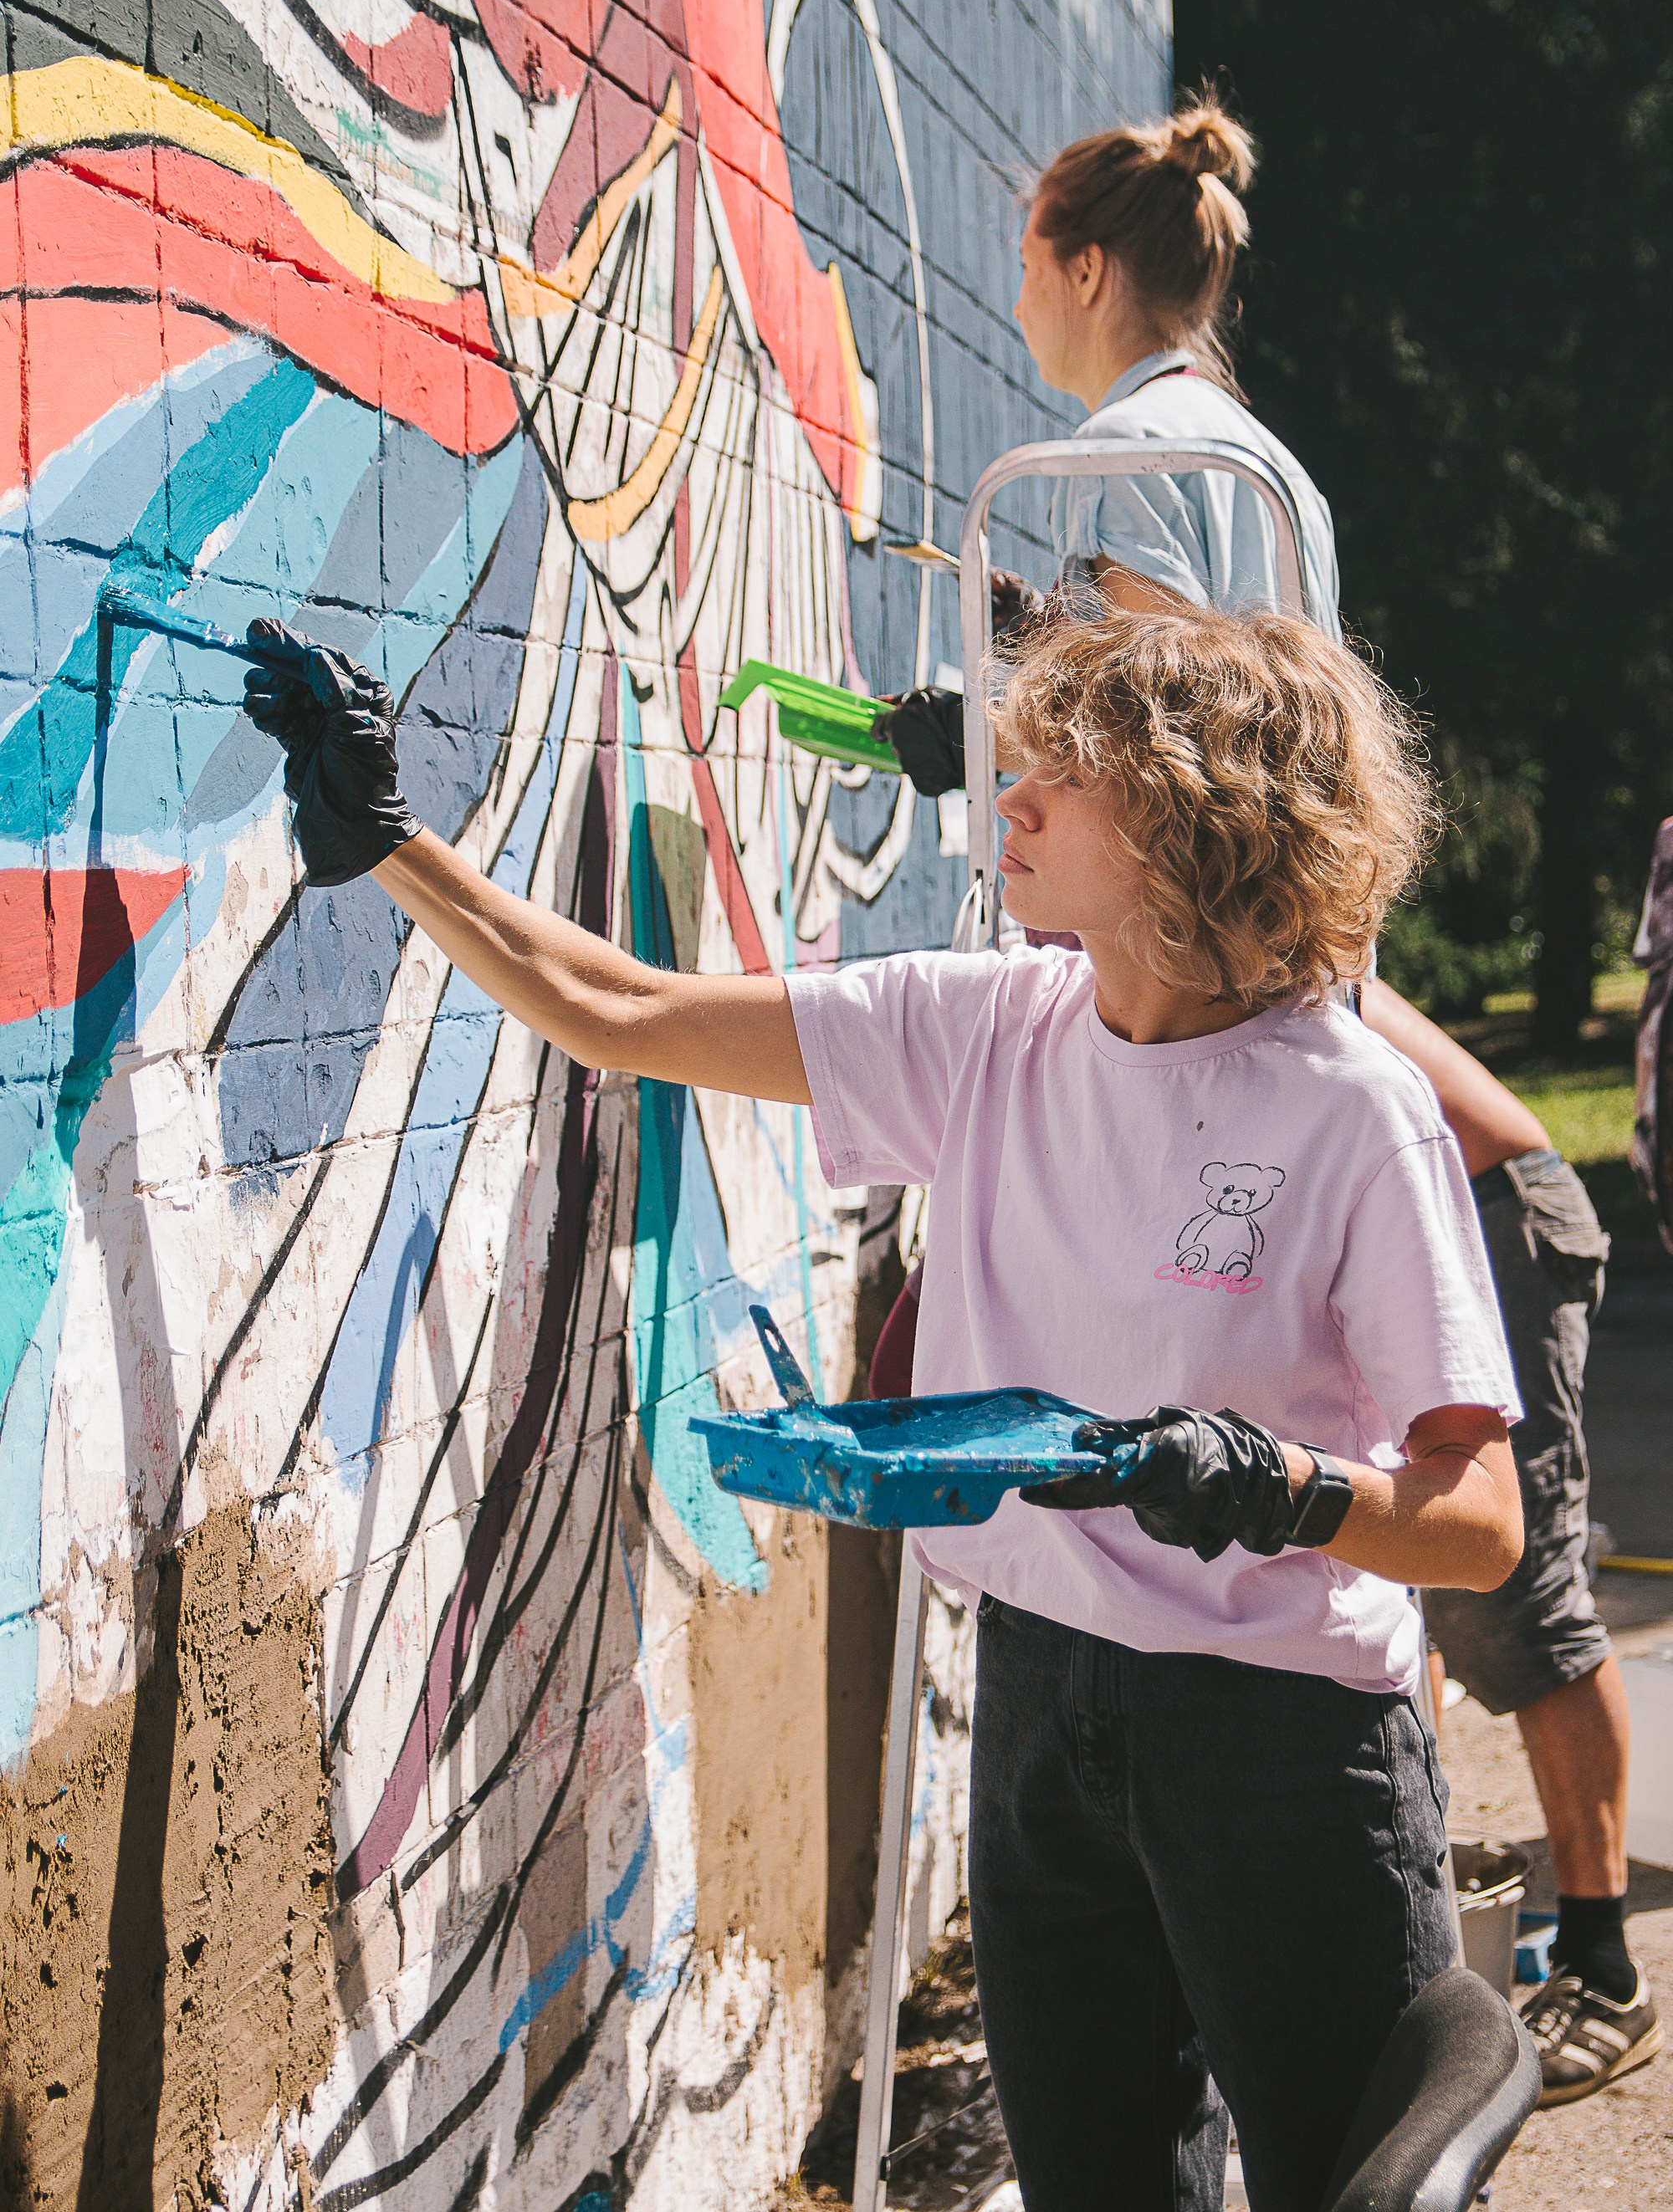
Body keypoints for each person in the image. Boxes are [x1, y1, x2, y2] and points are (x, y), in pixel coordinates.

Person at [243, 596, 1523, 2212]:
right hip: (1044, 1701)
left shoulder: (1356, 1114)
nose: (1013, 799)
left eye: (1065, 776)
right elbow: (619, 1011)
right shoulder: (987, 1026)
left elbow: (1481, 1524)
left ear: (1192, 820)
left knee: (1354, 2185)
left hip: (1281, 1741)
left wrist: (1273, 1486)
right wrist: (389, 839)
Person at [877, 91, 1655, 2103]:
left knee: (1498, 1592)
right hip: (1365, 1105)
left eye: (1023, 267)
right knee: (1431, 1610)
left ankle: (1571, 1961)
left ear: (1079, 267)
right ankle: (1461, 1963)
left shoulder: (1129, 461)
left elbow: (1166, 737)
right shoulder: (1250, 462)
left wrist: (999, 732)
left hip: (1433, 1164)